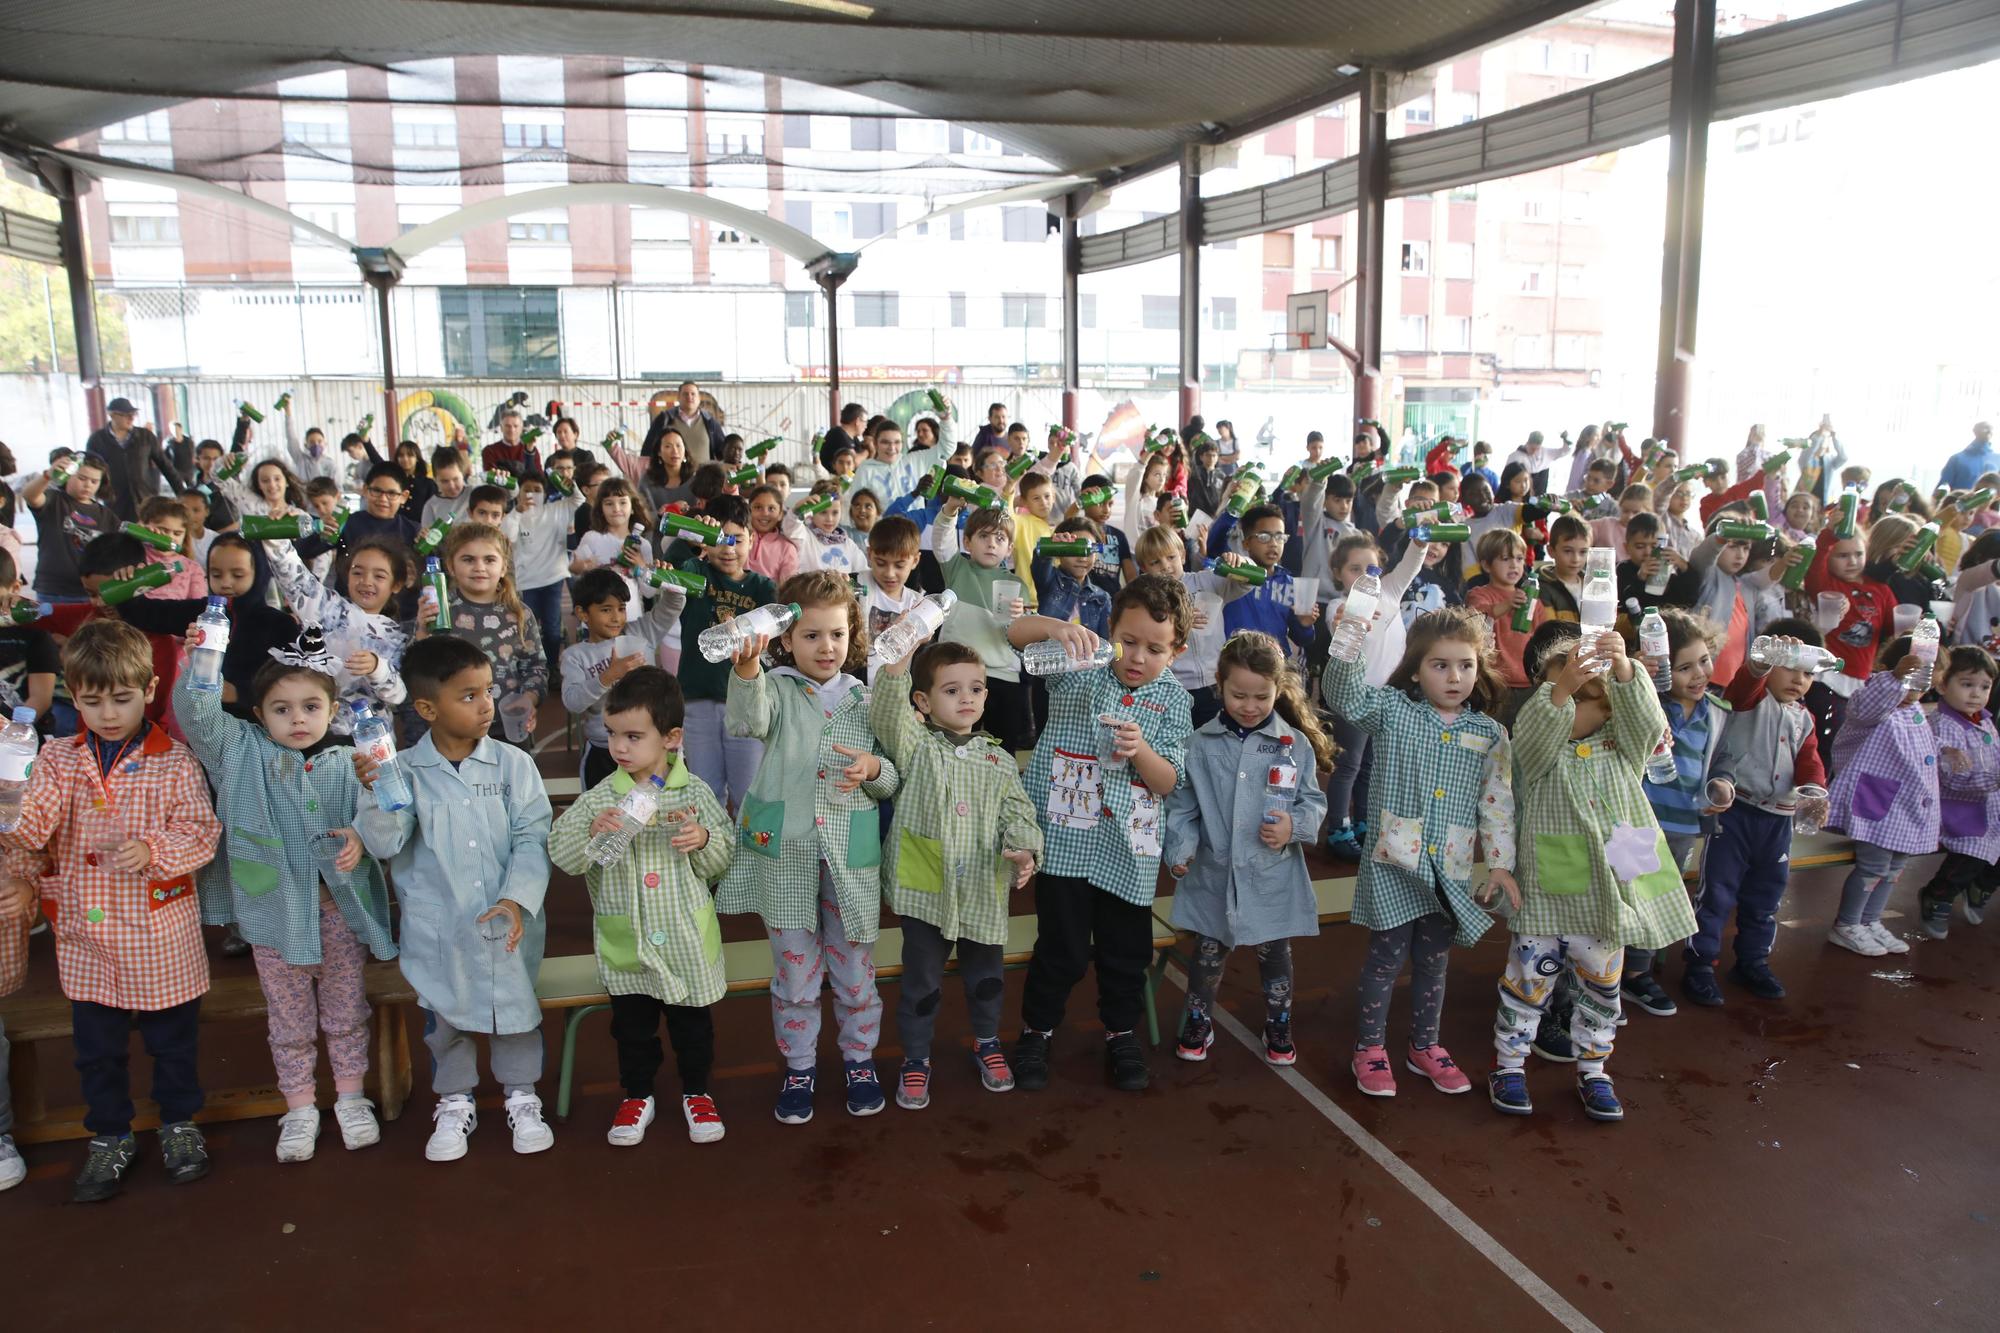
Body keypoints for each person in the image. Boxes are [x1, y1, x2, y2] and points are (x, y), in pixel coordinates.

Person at [0, 619, 221, 1201]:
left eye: (121, 699)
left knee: (172, 1046)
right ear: (74, 696)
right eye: (92, 701)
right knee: (96, 1053)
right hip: (87, 940)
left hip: (158, 936)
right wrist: (10, 789)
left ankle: (179, 1125)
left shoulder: (174, 761)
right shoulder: (54, 759)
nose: (106, 713)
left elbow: (202, 833)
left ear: (149, 690)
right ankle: (109, 1135)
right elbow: (31, 830)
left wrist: (154, 850)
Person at [175, 628, 393, 1162]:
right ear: (258, 714)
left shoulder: (351, 761)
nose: (297, 719)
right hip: (273, 918)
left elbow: (392, 810)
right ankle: (298, 1107)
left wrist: (362, 834)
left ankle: (350, 1098)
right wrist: (203, 657)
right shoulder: (239, 751)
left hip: (337, 916)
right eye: (281, 709)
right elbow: (197, 715)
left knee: (346, 1013)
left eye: (311, 706)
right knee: (289, 1020)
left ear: (333, 709)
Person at [354, 634, 555, 1161]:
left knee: (515, 1011)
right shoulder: (400, 772)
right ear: (426, 708)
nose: (486, 703)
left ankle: (521, 1094)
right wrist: (377, 792)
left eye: (487, 690)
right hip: (440, 929)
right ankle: (455, 1099)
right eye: (468, 695)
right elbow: (384, 842)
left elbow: (533, 838)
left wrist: (516, 899)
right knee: (444, 1017)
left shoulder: (514, 766)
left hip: (507, 923)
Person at [1488, 621, 1691, 1122]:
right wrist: (1561, 690)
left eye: (1592, 699)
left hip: (1612, 899)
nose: (1581, 708)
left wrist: (1624, 669)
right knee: (1528, 983)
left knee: (1603, 991)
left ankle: (1594, 1069)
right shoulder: (1538, 756)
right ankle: (1510, 1065)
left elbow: (1645, 720)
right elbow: (1533, 732)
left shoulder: (1624, 750)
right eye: (1567, 698)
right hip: (1551, 894)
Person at [714, 571, 897, 1123]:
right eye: (812, 635)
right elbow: (747, 722)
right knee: (795, 974)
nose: (826, 647)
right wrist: (747, 668)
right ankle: (799, 1066)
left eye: (837, 634)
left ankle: (859, 1059)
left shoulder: (866, 698)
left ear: (853, 634)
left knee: (856, 970)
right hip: (787, 854)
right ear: (786, 639)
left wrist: (872, 769)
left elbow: (892, 777)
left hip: (849, 858)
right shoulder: (775, 689)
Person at [1008, 576, 1193, 1094]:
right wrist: (1060, 629)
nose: (1137, 657)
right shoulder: (1080, 670)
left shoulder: (1174, 701)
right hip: (1066, 844)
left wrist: (1143, 752)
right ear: (1110, 630)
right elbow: (1013, 634)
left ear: (1176, 651)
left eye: (1155, 649)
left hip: (1128, 853)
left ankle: (1120, 1033)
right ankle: (1036, 1031)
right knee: (1060, 951)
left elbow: (1170, 781)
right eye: (1128, 641)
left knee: (1125, 955)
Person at [1324, 608, 1517, 1096]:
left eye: (1466, 665)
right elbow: (1342, 695)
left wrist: (1499, 865)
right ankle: (1370, 1048)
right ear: (1414, 668)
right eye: (1440, 665)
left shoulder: (1491, 734)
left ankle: (1424, 1045)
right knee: (1386, 958)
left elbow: (1496, 806)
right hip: (1394, 861)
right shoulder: (1392, 710)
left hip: (1447, 869)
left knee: (1434, 962)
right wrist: (1351, 639)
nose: (1455, 677)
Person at [549, 667, 735, 1147]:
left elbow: (722, 860)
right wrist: (591, 832)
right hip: (627, 944)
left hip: (685, 942)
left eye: (634, 735)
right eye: (612, 734)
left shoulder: (694, 795)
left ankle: (697, 1092)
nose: (620, 747)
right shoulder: (599, 800)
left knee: (693, 1025)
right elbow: (563, 857)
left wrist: (703, 839)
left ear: (671, 738)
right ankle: (637, 1094)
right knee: (631, 1029)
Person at [869, 640, 1041, 1108]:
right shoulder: (915, 746)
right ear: (922, 702)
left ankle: (987, 1041)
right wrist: (896, 669)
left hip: (983, 888)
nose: (967, 698)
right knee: (921, 984)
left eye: (977, 688)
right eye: (951, 690)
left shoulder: (999, 760)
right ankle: (916, 1058)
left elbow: (1019, 814)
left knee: (986, 980)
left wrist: (1024, 849)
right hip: (926, 891)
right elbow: (888, 714)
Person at [1165, 631, 1333, 1066]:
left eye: (1262, 696)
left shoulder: (1292, 745)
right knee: (1207, 954)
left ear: (1278, 690)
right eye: (1239, 694)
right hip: (1214, 873)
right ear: (1219, 685)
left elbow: (1314, 802)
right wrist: (1180, 850)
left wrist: (1293, 825)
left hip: (1270, 874)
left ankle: (1279, 1020)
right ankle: (1198, 1017)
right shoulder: (1198, 743)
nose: (1250, 705)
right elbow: (1184, 807)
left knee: (1275, 954)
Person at [1681, 629, 1826, 1005]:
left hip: (1778, 820)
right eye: (1790, 668)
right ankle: (1700, 963)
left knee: (1766, 896)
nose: (1799, 679)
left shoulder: (1804, 717)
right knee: (1717, 892)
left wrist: (1814, 791)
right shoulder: (1749, 700)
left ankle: (1752, 961)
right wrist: (1759, 662)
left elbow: (1810, 760)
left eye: (1808, 673)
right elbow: (1745, 684)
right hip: (1737, 812)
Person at [1630, 607, 1723, 1016]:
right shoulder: (1650, 703)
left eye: (1704, 660)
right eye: (1685, 667)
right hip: (1638, 820)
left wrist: (1722, 786)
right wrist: (1640, 675)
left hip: (1684, 822)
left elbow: (1722, 762)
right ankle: (1610, 973)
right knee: (1629, 897)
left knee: (1661, 897)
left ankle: (1638, 973)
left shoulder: (1715, 712)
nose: (1699, 673)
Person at [1823, 635, 1938, 957]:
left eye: (1919, 681)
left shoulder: (1915, 711)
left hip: (1904, 811)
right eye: (1907, 679)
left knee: (1894, 869)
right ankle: (1847, 924)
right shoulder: (1870, 703)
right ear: (1888, 672)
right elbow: (1870, 704)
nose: (1912, 691)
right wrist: (1896, 679)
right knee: (1873, 867)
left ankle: (1870, 920)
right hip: (1875, 805)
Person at [672, 496, 773, 812]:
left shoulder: (764, 588)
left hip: (744, 705)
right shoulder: (695, 574)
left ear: (752, 540)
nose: (728, 549)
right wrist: (692, 536)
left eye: (737, 540)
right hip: (698, 702)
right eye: (719, 540)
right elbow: (673, 562)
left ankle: (748, 858)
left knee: (749, 792)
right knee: (706, 792)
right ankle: (710, 855)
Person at [261, 536, 409, 731]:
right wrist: (277, 539)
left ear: (396, 585)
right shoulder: (328, 608)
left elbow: (398, 695)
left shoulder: (397, 637)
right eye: (357, 573)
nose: (366, 581)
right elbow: (295, 580)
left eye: (379, 576)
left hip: (372, 742)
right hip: (317, 732)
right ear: (347, 576)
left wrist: (376, 667)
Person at [561, 566, 688, 789]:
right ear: (582, 614)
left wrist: (667, 577)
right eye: (606, 610)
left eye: (621, 608)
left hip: (651, 746)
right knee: (605, 815)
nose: (616, 617)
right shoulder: (576, 656)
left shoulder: (640, 632)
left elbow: (672, 605)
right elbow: (573, 702)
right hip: (605, 751)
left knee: (656, 812)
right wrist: (608, 676)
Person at [425, 523, 547, 743]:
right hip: (454, 728)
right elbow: (420, 668)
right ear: (451, 566)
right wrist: (422, 628)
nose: (479, 567)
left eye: (489, 560)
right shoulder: (440, 611)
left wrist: (529, 699)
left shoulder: (520, 614)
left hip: (506, 728)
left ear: (503, 567)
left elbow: (535, 667)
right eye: (468, 559)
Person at [932, 500, 1034, 753]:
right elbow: (941, 540)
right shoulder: (957, 569)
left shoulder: (1017, 584)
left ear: (1009, 548)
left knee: (1001, 752)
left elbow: (1023, 638)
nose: (991, 543)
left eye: (1000, 538)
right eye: (984, 536)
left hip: (1003, 677)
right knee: (952, 745)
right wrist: (949, 511)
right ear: (967, 542)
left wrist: (1020, 619)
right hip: (956, 672)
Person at [1919, 645, 2000, 938]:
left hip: (1986, 804)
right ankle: (1938, 894)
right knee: (1973, 848)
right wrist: (1992, 780)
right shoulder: (1942, 725)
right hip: (1954, 807)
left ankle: (1982, 885)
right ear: (1942, 685)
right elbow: (1950, 778)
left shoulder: (1985, 721)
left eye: (1985, 686)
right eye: (1967, 685)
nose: (1976, 694)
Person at [23, 454, 115, 605]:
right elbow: (30, 496)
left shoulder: (105, 514)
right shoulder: (53, 500)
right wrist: (47, 475)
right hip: (53, 590)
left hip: (90, 593)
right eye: (82, 478)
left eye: (94, 481)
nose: (88, 485)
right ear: (68, 476)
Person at [87, 397, 185, 522]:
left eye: (133, 414)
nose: (131, 418)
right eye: (125, 415)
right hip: (114, 502)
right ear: (112, 415)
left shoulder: (145, 437)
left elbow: (166, 466)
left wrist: (182, 494)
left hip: (145, 498)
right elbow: (91, 469)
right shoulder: (97, 440)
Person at [650, 381, 725, 465]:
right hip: (673, 477)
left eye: (693, 394)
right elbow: (649, 450)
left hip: (705, 476)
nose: (689, 397)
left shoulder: (710, 422)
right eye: (685, 394)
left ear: (699, 398)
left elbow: (723, 451)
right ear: (678, 397)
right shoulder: (664, 420)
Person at [479, 405, 543, 480]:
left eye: (515, 426)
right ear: (501, 428)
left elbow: (539, 477)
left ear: (521, 428)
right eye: (507, 426)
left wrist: (530, 452)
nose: (512, 430)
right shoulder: (490, 451)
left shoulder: (531, 451)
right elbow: (490, 476)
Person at [1940, 421, 1995, 492]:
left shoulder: (1997, 459)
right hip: (1961, 501)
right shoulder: (1957, 459)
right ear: (1975, 431)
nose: (1988, 431)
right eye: (1985, 428)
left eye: (1991, 428)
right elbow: (1942, 490)